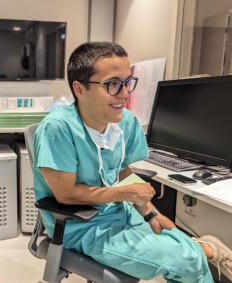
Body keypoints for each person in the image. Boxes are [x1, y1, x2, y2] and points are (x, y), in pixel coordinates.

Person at [32, 41, 232, 282]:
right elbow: (66, 195)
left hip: (120, 210)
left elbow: (123, 171)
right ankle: (206, 249)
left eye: (127, 82)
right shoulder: (58, 129)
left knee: (178, 243)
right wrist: (127, 193)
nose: (125, 93)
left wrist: (150, 213)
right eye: (113, 84)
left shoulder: (126, 122)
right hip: (79, 226)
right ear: (80, 89)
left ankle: (201, 249)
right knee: (186, 260)